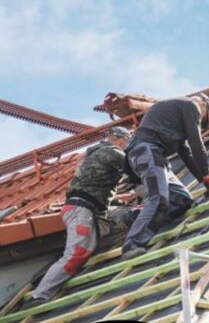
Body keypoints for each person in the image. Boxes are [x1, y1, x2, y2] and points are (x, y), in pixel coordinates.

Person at [29, 126, 134, 303]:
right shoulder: (111, 151)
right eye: (127, 142)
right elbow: (134, 165)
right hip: (82, 210)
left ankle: (47, 280)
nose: (127, 145)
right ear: (121, 140)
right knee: (78, 251)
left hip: (86, 209)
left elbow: (94, 190)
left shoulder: (96, 154)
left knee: (120, 221)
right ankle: (41, 294)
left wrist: (121, 201)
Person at [121, 93, 209, 259]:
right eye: (202, 118)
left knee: (182, 200)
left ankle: (136, 218)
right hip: (147, 150)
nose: (198, 121)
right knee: (159, 198)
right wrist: (206, 174)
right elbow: (197, 144)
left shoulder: (174, 116)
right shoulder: (191, 105)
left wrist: (202, 179)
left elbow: (186, 153)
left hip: (155, 156)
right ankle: (132, 244)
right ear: (204, 106)